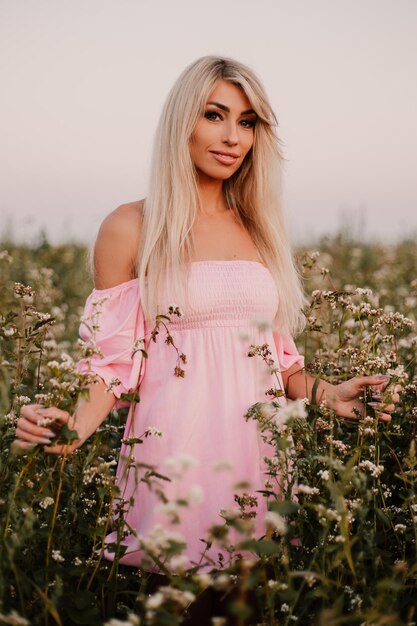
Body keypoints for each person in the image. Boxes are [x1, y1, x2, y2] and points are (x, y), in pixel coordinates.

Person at [14, 56, 397, 574]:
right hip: (176, 458)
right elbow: (112, 362)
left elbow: (277, 364)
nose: (233, 137)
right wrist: (70, 428)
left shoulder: (260, 229)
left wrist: (331, 394)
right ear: (182, 123)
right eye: (214, 115)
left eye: (247, 122)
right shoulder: (133, 226)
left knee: (253, 605)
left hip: (259, 459)